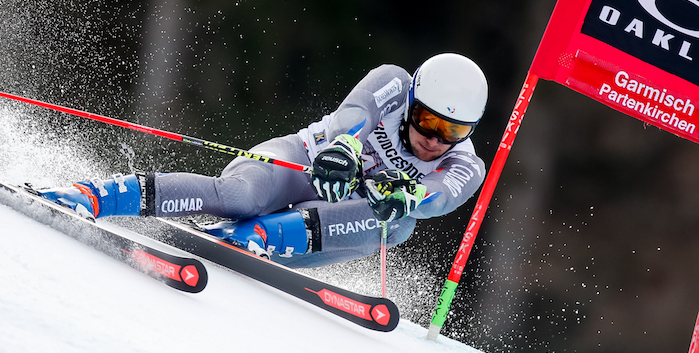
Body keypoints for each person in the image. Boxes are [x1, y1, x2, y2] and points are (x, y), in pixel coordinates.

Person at [37, 53, 488, 269]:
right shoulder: (394, 82)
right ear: (412, 101)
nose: (434, 139)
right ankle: (95, 196)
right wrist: (345, 146)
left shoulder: (468, 165)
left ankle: (256, 240)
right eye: (428, 120)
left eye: (453, 131)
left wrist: (410, 196)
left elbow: (442, 197)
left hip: (331, 221)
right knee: (237, 196)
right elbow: (356, 112)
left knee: (399, 224)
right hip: (300, 163)